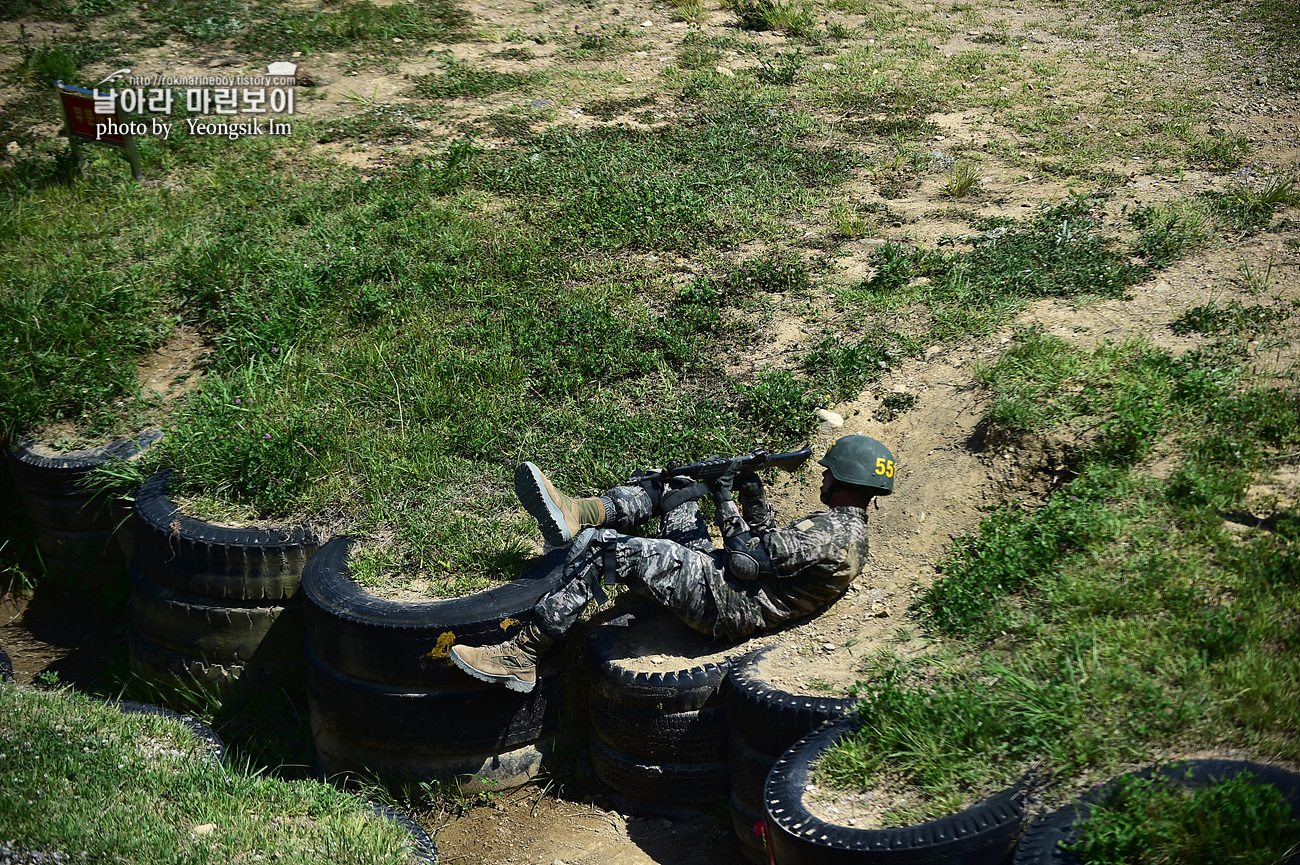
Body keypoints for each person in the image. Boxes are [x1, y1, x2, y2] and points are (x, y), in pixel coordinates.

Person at [450, 434, 896, 693]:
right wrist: (751, 488)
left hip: (728, 602)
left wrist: (724, 498)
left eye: (827, 471)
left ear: (843, 477)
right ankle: (577, 513)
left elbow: (746, 561)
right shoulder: (842, 528)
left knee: (614, 550)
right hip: (728, 585)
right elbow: (771, 549)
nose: (822, 475)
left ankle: (523, 652)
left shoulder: (836, 534)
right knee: (677, 489)